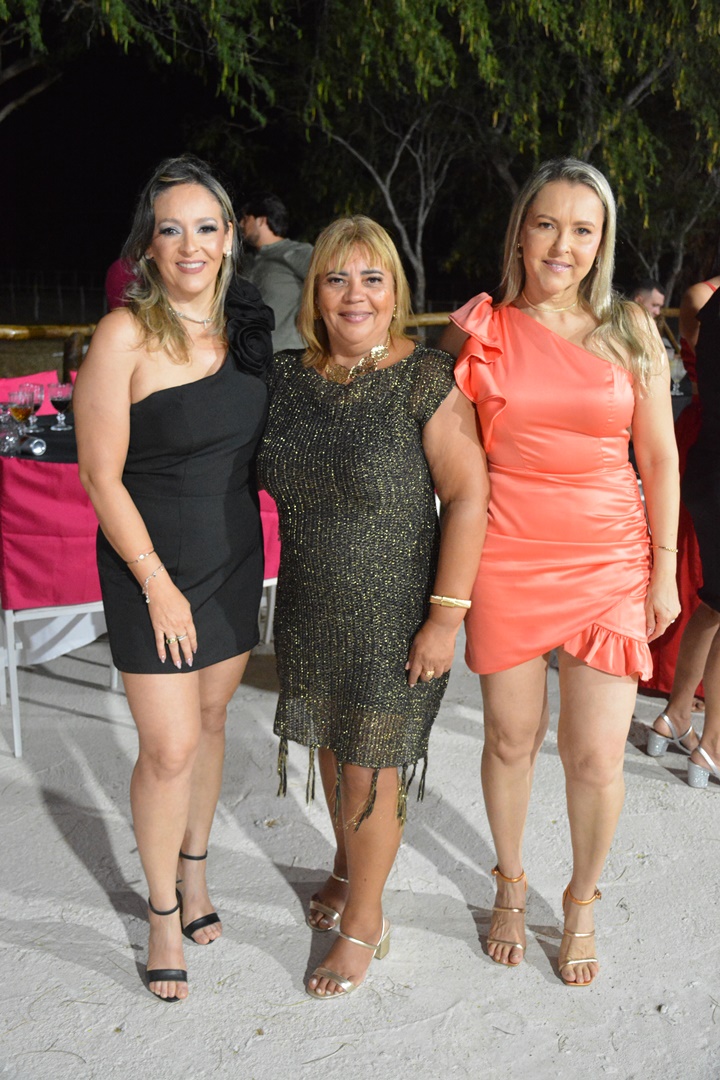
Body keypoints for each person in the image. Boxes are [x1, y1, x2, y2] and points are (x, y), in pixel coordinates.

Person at [441, 158, 680, 986]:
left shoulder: (631, 329)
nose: (562, 245)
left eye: (584, 229)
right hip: (507, 552)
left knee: (596, 756)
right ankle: (510, 882)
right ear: (520, 232)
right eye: (547, 224)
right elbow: (447, 459)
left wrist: (662, 573)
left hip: (610, 557)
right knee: (510, 739)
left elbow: (659, 458)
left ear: (602, 242)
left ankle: (580, 900)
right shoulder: (482, 328)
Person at [257, 215, 488, 999]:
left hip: (396, 614)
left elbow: (468, 497)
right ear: (314, 294)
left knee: (366, 769)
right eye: (336, 278)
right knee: (331, 750)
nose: (354, 295)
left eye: (372, 278)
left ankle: (365, 920)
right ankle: (348, 866)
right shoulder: (286, 379)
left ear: (396, 292)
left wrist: (446, 618)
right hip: (310, 607)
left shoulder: (423, 378)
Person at [74, 155, 273, 1002]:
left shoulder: (251, 327)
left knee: (214, 719)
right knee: (169, 748)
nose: (190, 244)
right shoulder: (123, 336)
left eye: (205, 227)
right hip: (146, 564)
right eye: (170, 229)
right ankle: (161, 911)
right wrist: (155, 583)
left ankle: (195, 871)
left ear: (229, 238)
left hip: (232, 557)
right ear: (148, 247)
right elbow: (99, 476)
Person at [642, 274, 720, 740]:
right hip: (702, 439)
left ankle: (678, 715)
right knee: (697, 576)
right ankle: (706, 738)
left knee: (709, 592)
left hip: (706, 443)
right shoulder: (702, 296)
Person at [239, 194, 313, 351]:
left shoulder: (296, 252)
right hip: (248, 356)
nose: (241, 224)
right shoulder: (246, 262)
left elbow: (332, 286)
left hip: (289, 356)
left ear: (261, 220)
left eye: (245, 219)